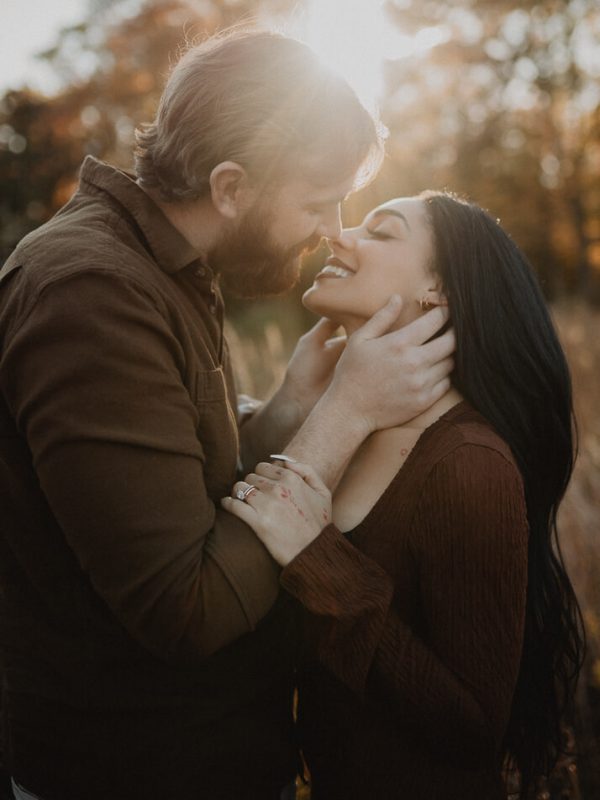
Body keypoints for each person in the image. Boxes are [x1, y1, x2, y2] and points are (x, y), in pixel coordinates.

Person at [0, 30, 455, 800]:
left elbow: (173, 478)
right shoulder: (91, 293)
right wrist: (344, 413)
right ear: (232, 186)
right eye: (316, 201)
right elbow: (187, 607)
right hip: (137, 771)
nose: (332, 229)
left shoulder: (165, 265)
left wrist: (290, 409)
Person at [224, 191, 585, 800]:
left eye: (381, 233)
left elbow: (474, 729)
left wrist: (321, 563)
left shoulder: (467, 465)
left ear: (439, 290)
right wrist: (295, 400)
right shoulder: (342, 429)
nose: (338, 236)